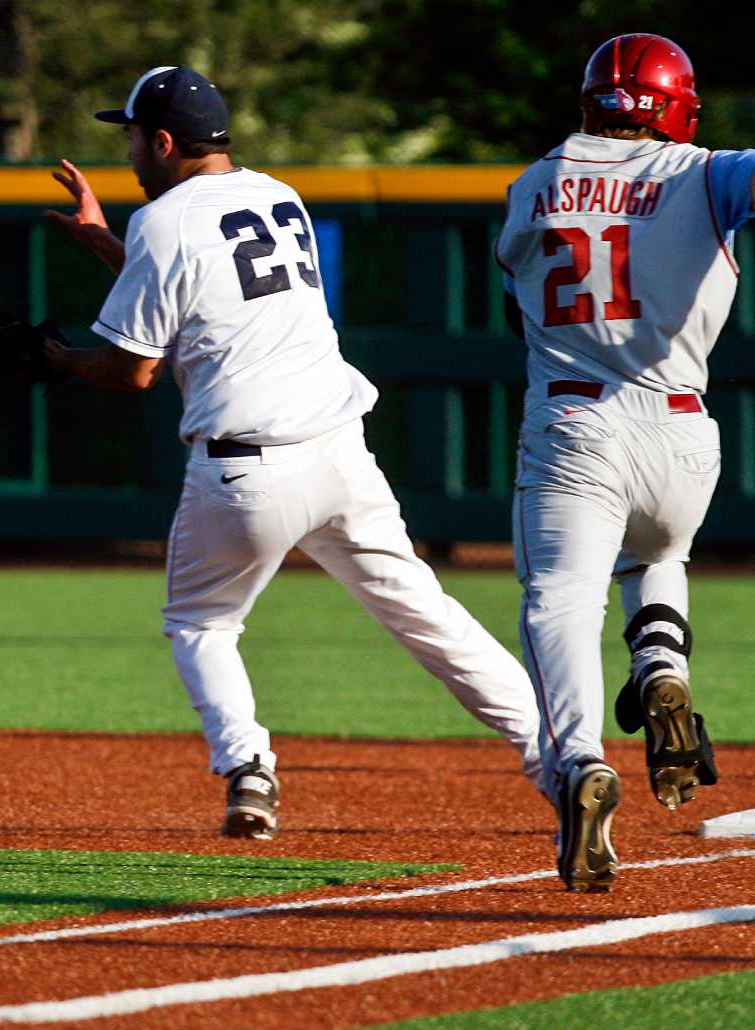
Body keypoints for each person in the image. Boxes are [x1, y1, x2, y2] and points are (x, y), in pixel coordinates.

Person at [41, 66, 546, 840]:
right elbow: (204, 293)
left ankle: (247, 766)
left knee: (201, 624)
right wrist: (108, 245)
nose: (131, 149)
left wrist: (54, 357)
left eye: (134, 136)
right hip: (341, 456)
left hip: (245, 472)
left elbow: (131, 370)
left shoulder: (165, 221)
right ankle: (560, 758)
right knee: (428, 616)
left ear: (165, 141)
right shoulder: (278, 195)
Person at [495, 33, 737, 892]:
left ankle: (579, 766)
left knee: (559, 601)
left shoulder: (537, 182)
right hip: (682, 433)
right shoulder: (709, 172)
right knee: (656, 551)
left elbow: (514, 291)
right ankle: (662, 667)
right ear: (679, 107)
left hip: (576, 423)